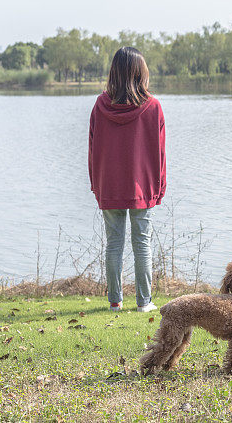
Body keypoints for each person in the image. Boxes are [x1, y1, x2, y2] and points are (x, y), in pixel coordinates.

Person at [88, 46, 166, 313]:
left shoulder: (100, 106)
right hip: (142, 186)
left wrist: (96, 184)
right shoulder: (153, 107)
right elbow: (160, 152)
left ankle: (115, 302)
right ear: (140, 73)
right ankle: (144, 303)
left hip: (109, 185)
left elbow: (92, 148)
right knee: (142, 243)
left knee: (114, 243)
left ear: (114, 73)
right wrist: (160, 185)